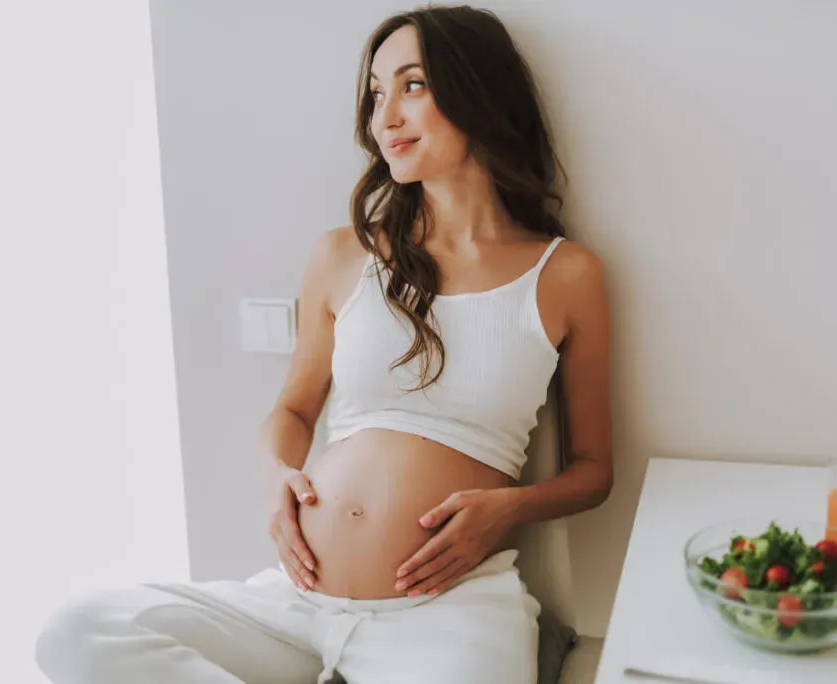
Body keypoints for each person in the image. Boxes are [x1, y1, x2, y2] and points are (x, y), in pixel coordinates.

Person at [34, 5, 612, 683]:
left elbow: (594, 468)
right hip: (293, 604)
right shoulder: (345, 257)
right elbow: (293, 412)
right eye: (375, 94)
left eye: (412, 86)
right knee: (79, 632)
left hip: (449, 610)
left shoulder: (564, 273)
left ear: (479, 93)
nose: (385, 117)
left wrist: (509, 509)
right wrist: (278, 475)